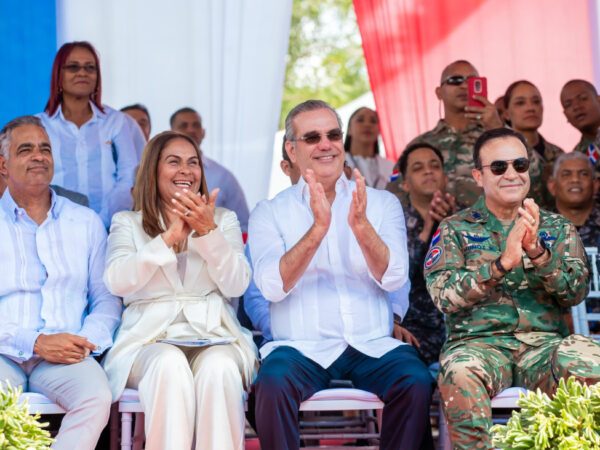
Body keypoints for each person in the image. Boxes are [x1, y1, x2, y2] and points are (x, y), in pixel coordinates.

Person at [249, 100, 434, 450]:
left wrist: (361, 226)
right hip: (301, 347)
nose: (325, 144)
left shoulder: (380, 203)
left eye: (333, 134)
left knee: (415, 379)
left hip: (371, 342)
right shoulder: (269, 212)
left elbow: (394, 278)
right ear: (291, 148)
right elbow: (272, 287)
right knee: (271, 384)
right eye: (312, 137)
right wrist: (318, 229)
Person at [425, 127, 600, 449]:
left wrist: (539, 253)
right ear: (479, 176)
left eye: (519, 165)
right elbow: (443, 296)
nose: (511, 174)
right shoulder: (454, 228)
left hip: (544, 347)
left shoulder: (557, 227)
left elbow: (574, 292)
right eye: (498, 167)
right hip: (479, 346)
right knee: (459, 372)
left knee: (591, 360)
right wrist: (501, 264)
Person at [102, 131, 257, 450]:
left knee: (221, 368)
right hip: (149, 338)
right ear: (153, 171)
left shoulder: (224, 220)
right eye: (174, 162)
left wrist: (208, 232)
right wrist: (168, 238)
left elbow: (236, 283)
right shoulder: (127, 222)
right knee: (169, 365)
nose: (186, 170)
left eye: (193, 163)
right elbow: (117, 280)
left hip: (215, 333)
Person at [0, 116, 121, 450]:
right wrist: (35, 341)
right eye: (26, 149)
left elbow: (107, 299)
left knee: (97, 396)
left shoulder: (85, 221)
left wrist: (85, 340)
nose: (39, 156)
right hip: (3, 352)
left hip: (66, 354)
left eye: (45, 149)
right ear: (3, 164)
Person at [38, 41, 143, 228]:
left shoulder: (116, 122)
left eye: (90, 68)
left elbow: (129, 176)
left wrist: (102, 221)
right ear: (58, 76)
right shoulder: (40, 125)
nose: (82, 73)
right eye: (73, 67)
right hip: (54, 226)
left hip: (109, 226)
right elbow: (36, 178)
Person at [397, 60, 504, 208]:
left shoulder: (497, 135)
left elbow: (530, 175)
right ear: (439, 92)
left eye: (472, 81)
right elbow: (396, 192)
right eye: (455, 80)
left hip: (489, 227)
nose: (464, 86)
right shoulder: (420, 145)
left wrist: (498, 129)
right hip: (436, 229)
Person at [394, 142, 450, 367]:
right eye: (418, 168)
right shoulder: (394, 222)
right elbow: (400, 276)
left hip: (460, 330)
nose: (428, 171)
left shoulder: (465, 217)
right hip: (414, 331)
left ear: (444, 177)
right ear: (406, 184)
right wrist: (428, 229)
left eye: (434, 166)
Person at [170, 107, 250, 233]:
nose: (190, 130)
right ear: (171, 133)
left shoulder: (223, 176)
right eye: (183, 125)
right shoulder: (159, 173)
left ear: (203, 132)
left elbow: (243, 227)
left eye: (196, 125)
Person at [503, 80, 564, 208]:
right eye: (520, 103)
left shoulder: (558, 153)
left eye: (536, 102)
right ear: (507, 113)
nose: (530, 108)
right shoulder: (500, 154)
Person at [548, 151, 600, 247]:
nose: (575, 179)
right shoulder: (535, 228)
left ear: (595, 185)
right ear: (552, 186)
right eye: (566, 174)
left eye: (584, 174)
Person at [344, 107, 394, 189]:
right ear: (349, 129)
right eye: (360, 120)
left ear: (379, 131)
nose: (367, 125)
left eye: (373, 121)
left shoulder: (390, 167)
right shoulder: (337, 163)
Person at [560, 79, 600, 170]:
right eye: (568, 104)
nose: (576, 107)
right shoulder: (577, 159)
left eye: (583, 98)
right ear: (566, 116)